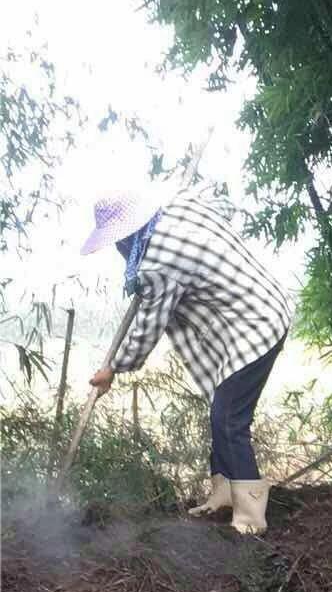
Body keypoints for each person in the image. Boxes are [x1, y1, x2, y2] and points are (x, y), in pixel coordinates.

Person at [81, 184, 293, 535]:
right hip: (248, 311)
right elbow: (221, 198)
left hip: (258, 323)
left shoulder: (158, 265)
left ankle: (251, 520)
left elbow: (148, 328)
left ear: (129, 234)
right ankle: (224, 495)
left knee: (229, 419)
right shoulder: (180, 204)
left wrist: (112, 368)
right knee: (220, 411)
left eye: (117, 241)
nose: (117, 248)